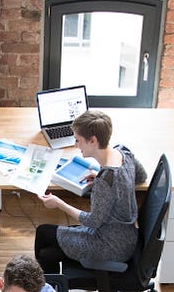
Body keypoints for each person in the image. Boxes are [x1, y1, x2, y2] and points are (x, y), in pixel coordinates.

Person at [34, 110, 149, 274]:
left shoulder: (106, 180)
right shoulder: (124, 153)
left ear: (93, 141)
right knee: (46, 251)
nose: (76, 145)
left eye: (78, 140)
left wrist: (59, 204)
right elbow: (141, 176)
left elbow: (93, 222)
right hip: (127, 236)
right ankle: (51, 289)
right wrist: (106, 182)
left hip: (110, 245)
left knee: (43, 233)